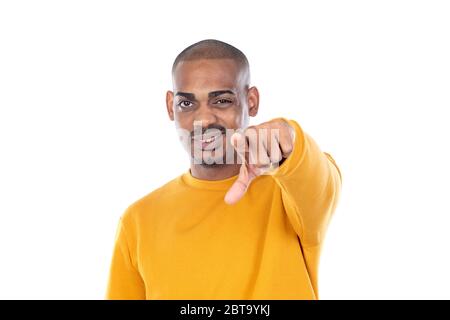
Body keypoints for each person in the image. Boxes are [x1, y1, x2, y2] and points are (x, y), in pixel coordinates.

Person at [106, 39, 342, 299]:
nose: (204, 119)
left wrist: (288, 137)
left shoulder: (291, 193)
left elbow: (321, 178)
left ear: (251, 101)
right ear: (170, 106)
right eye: (187, 103)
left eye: (221, 101)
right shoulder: (138, 221)